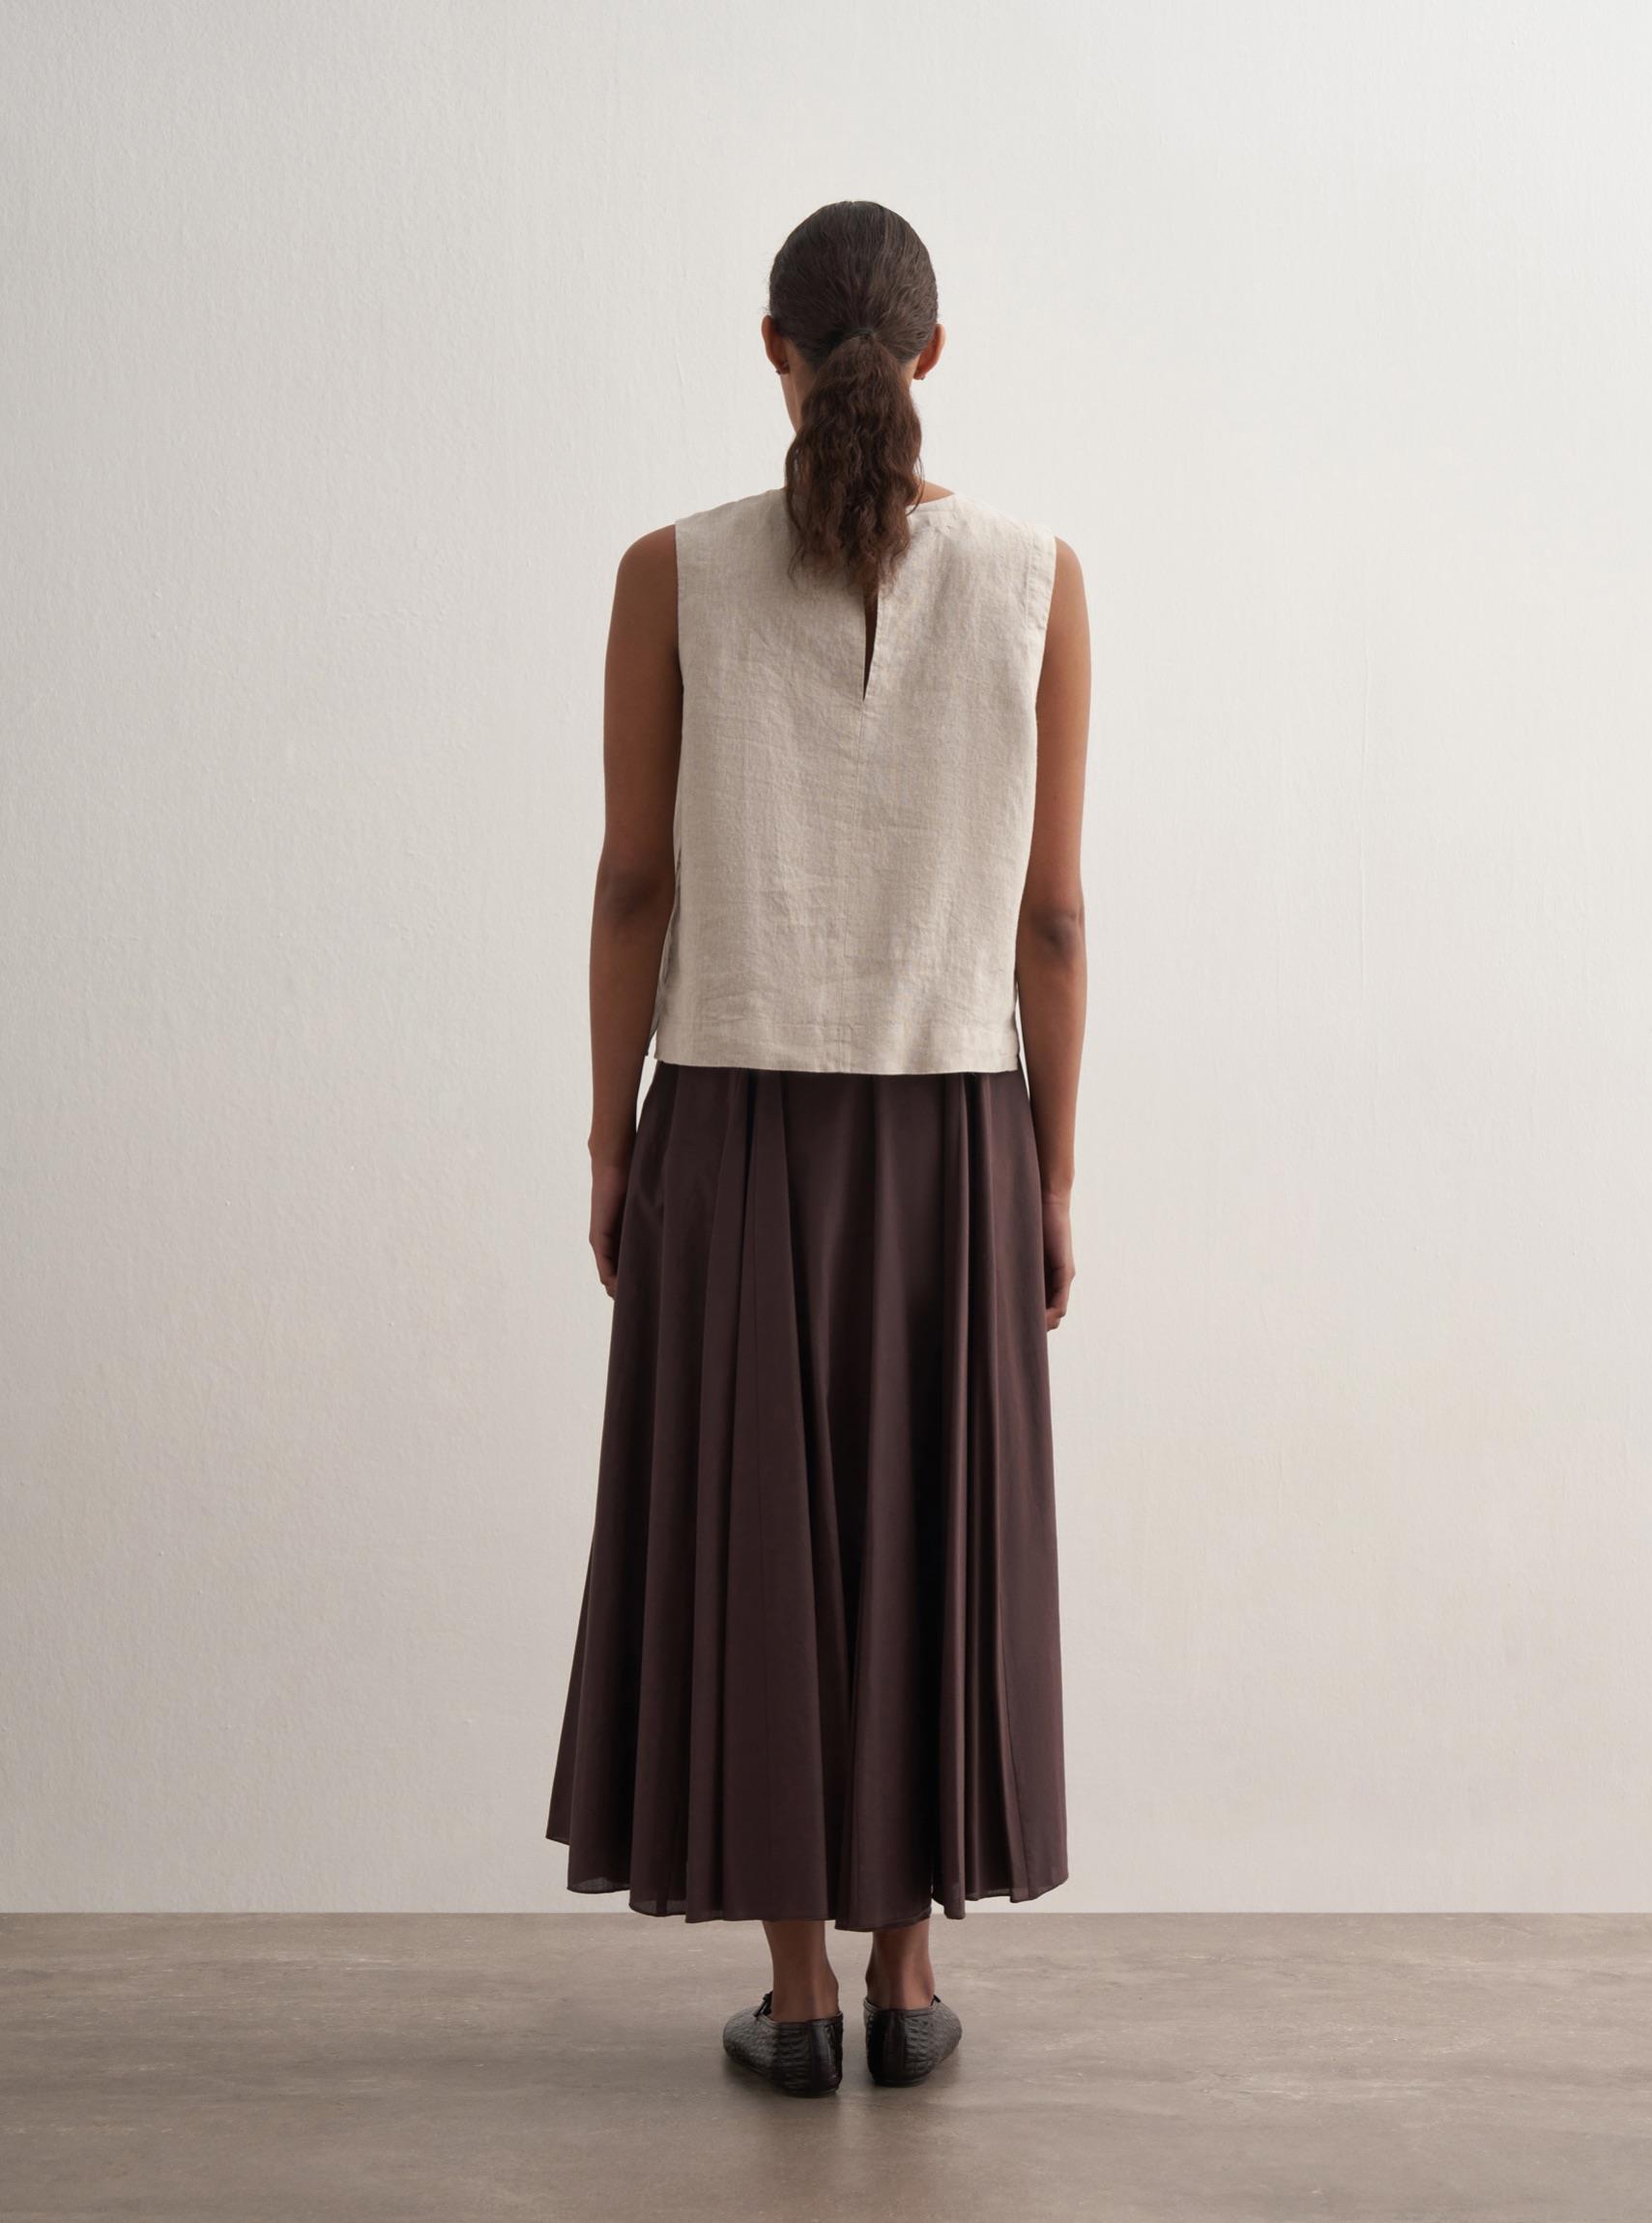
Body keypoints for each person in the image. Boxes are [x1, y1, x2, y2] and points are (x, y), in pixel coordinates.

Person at [545, 198, 1090, 2098]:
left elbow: (632, 883)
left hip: (736, 1115)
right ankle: (908, 1982)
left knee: (760, 1534)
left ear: (771, 350)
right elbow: (1053, 922)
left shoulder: (670, 574)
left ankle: (794, 2006)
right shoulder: (1036, 581)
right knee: (925, 1522)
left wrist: (609, 1140)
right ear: (929, 358)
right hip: (956, 1127)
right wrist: (1055, 1171)